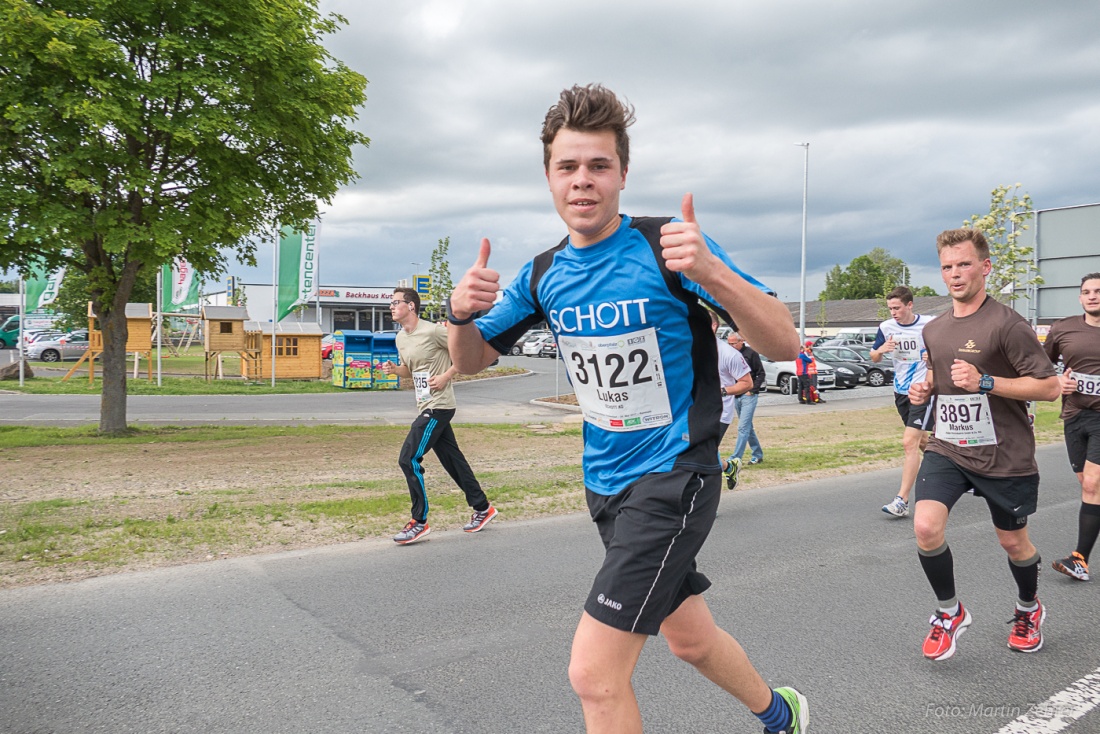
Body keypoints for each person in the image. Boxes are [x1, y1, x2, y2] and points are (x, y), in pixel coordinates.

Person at [447, 84, 807, 734]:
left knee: (594, 674)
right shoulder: (542, 275)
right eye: (567, 167)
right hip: (604, 483)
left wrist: (715, 275)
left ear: (622, 174)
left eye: (598, 166)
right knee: (690, 639)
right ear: (550, 177)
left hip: (675, 476)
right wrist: (457, 315)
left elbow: (784, 342)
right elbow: (471, 360)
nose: (582, 181)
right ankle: (784, 716)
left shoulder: (669, 245)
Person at [908, 228, 1059, 661]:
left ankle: (1029, 608)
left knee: (1013, 544)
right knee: (924, 527)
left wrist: (986, 382)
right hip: (948, 446)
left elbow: (1049, 388)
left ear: (985, 267)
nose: (955, 275)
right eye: (947, 267)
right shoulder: (934, 329)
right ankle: (948, 612)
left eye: (964, 265)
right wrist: (926, 390)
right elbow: (940, 380)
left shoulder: (1007, 325)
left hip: (1004, 453)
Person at [380, 287, 497, 545]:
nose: (391, 307)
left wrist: (446, 375)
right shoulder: (401, 338)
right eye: (391, 303)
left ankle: (418, 522)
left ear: (411, 306)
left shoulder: (433, 330)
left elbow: (467, 351)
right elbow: (411, 371)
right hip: (425, 404)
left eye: (396, 302)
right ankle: (483, 507)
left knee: (408, 458)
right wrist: (394, 370)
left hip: (439, 405)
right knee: (453, 461)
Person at [1044, 272, 1100, 582]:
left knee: (1092, 484)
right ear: (1080, 298)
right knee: (1086, 483)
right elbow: (1041, 365)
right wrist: (1056, 380)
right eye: (1087, 292)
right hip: (1074, 416)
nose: (1093, 296)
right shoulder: (1063, 328)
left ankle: (1080, 560)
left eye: (1098, 291)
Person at [870, 286, 936, 518]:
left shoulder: (929, 324)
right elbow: (873, 356)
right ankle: (960, 470)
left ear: (910, 305)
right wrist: (881, 349)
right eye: (890, 309)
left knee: (909, 442)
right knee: (922, 442)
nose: (893, 313)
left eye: (897, 308)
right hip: (900, 391)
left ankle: (902, 500)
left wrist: (933, 355)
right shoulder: (886, 327)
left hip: (921, 390)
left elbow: (946, 348)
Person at [708, 311, 752, 489]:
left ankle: (706, 508)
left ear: (713, 326)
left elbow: (747, 383)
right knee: (700, 454)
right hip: (694, 410)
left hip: (719, 413)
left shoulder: (729, 354)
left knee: (704, 457)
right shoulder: (690, 348)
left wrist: (721, 391)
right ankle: (728, 467)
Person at [723, 330, 767, 489]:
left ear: (741, 341)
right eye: (729, 343)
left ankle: (736, 459)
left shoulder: (751, 353)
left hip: (749, 395)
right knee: (748, 427)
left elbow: (761, 373)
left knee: (742, 427)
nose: (731, 346)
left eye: (734, 343)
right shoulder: (728, 355)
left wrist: (752, 389)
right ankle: (757, 454)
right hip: (736, 396)